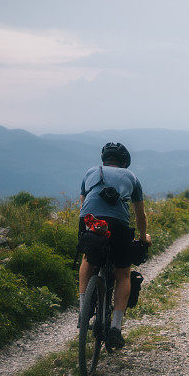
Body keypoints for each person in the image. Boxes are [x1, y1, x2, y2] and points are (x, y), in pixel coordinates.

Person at [78, 142, 151, 349]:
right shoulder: (132, 177)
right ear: (124, 162)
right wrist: (143, 237)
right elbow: (140, 215)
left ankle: (83, 309)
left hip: (90, 220)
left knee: (87, 259)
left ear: (104, 160)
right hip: (118, 224)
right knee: (123, 274)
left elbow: (83, 204)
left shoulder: (90, 172)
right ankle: (116, 329)